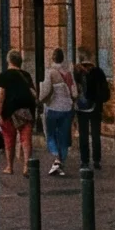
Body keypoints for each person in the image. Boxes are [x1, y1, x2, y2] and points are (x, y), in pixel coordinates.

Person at [0, 49, 38, 176]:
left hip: (9, 110)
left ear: (9, 61)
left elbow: (1, 95)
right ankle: (26, 166)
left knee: (9, 138)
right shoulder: (26, 75)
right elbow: (34, 93)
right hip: (25, 109)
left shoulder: (4, 75)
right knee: (26, 139)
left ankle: (9, 166)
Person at [42, 48, 78, 177]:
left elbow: (45, 91)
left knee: (51, 134)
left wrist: (41, 100)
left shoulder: (50, 72)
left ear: (52, 58)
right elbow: (74, 92)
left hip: (52, 108)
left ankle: (56, 159)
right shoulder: (68, 73)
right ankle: (61, 162)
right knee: (63, 136)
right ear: (63, 58)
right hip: (67, 109)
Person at [77, 51, 111, 172]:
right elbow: (106, 92)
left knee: (85, 135)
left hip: (85, 108)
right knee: (94, 134)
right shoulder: (98, 73)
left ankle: (86, 161)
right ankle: (95, 160)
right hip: (93, 108)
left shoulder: (82, 74)